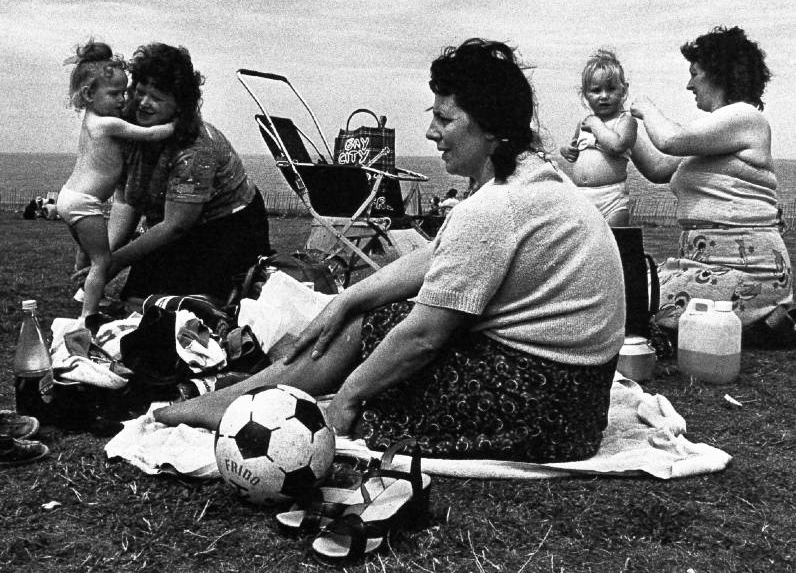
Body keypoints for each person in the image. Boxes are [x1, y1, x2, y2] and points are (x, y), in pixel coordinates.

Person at [155, 38, 625, 463]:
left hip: (543, 408)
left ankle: (227, 404)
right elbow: (438, 254)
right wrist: (347, 299)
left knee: (381, 351)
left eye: (445, 119)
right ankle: (252, 391)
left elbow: (424, 336)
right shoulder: (531, 179)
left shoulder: (497, 207)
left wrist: (351, 397)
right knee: (368, 318)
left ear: (490, 128)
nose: (431, 133)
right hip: (578, 403)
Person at [629, 25, 792, 346]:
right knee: (628, 287)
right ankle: (756, 324)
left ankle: (764, 320)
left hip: (748, 271)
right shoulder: (713, 135)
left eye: (695, 73)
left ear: (719, 73)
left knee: (638, 299)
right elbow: (659, 168)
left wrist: (645, 107)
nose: (689, 84)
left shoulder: (746, 117)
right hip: (704, 266)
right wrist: (625, 130)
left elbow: (670, 139)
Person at [76, 42, 271, 308]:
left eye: (156, 98)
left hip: (226, 228)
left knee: (188, 305)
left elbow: (175, 225)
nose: (144, 103)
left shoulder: (196, 149)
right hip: (172, 225)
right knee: (137, 300)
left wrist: (117, 261)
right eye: (140, 91)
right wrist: (103, 256)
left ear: (180, 104)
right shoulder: (129, 127)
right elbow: (126, 200)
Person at [57, 40, 175, 325]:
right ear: (88, 93)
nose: (123, 100)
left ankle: (84, 293)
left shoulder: (90, 118)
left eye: (124, 92)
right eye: (114, 94)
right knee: (102, 261)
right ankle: (89, 313)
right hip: (85, 203)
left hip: (69, 198)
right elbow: (149, 134)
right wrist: (175, 125)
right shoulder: (107, 124)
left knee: (86, 252)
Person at [559, 49, 637, 226]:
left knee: (615, 243)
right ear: (585, 94)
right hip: (582, 197)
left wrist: (595, 124)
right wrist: (568, 151)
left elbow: (616, 146)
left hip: (612, 199)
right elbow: (575, 151)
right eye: (596, 90)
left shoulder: (625, 120)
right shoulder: (583, 123)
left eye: (611, 89)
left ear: (624, 90)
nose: (604, 96)